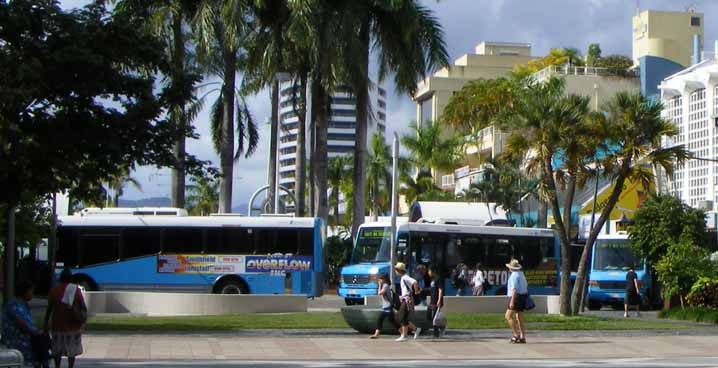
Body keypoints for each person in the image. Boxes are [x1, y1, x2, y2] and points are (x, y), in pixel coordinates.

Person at [44, 269, 85, 368]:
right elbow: (83, 306)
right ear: (71, 279)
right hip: (72, 326)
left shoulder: (54, 290)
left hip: (57, 325)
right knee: (71, 350)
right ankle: (70, 366)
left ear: (60, 278)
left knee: (57, 350)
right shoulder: (75, 290)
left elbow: (49, 309)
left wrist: (45, 324)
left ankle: (57, 366)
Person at [1, 280, 49, 367]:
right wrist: (35, 332)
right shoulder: (14, 304)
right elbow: (21, 323)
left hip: (27, 338)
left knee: (43, 340)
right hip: (17, 340)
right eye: (31, 291)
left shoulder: (24, 305)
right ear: (24, 291)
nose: (32, 293)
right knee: (40, 342)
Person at [394, 262, 421, 342]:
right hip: (405, 299)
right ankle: (415, 330)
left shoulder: (405, 277)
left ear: (398, 270)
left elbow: (415, 282)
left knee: (401, 316)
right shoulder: (403, 278)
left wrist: (416, 291)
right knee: (403, 317)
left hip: (407, 300)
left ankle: (405, 335)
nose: (395, 272)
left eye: (396, 270)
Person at [369, 274, 400, 339]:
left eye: (380, 279)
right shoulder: (385, 286)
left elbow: (380, 293)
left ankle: (403, 333)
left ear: (384, 279)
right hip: (386, 307)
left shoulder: (385, 286)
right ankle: (376, 335)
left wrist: (379, 285)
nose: (379, 280)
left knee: (391, 321)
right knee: (383, 320)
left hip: (388, 307)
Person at [504, 259, 528, 344]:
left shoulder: (514, 275)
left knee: (508, 316)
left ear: (511, 268)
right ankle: (523, 336)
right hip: (523, 296)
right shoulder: (521, 274)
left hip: (516, 297)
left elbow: (514, 289)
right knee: (519, 317)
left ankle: (515, 335)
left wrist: (512, 302)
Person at [426, 266, 445, 338]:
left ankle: (436, 334)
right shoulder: (432, 279)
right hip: (432, 301)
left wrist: (439, 300)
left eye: (429, 271)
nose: (428, 272)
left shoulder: (438, 279)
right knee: (428, 316)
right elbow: (432, 289)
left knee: (435, 317)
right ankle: (441, 327)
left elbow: (440, 290)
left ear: (433, 271)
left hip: (436, 300)